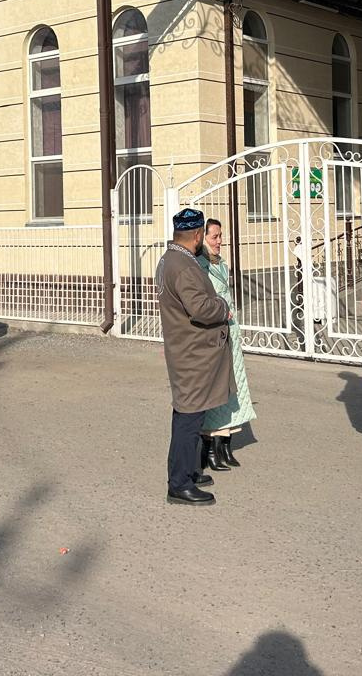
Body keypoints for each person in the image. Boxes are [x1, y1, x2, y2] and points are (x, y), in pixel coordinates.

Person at [156, 207, 234, 505]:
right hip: (193, 353)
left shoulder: (171, 258)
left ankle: (188, 470)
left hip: (186, 349)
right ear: (198, 234)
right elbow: (200, 308)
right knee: (188, 420)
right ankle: (179, 484)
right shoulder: (185, 266)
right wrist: (222, 307)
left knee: (190, 414)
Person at [198, 218, 256, 471]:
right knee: (217, 390)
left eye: (221, 236)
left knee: (235, 389)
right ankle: (210, 447)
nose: (219, 241)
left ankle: (225, 444)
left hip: (230, 330)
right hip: (214, 333)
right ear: (202, 238)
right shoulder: (199, 266)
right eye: (214, 237)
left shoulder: (221, 264)